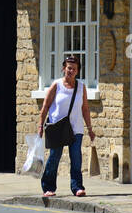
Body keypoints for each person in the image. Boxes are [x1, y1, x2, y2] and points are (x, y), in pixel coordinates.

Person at [36, 54, 94, 198]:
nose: (71, 71)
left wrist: (90, 129)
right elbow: (45, 106)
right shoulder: (57, 85)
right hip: (57, 127)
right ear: (63, 68)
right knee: (54, 157)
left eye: (74, 69)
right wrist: (40, 126)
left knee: (76, 158)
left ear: (78, 71)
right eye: (69, 68)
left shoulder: (81, 87)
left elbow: (85, 109)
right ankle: (48, 187)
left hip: (76, 128)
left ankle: (77, 187)